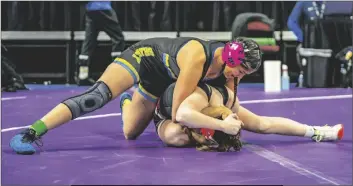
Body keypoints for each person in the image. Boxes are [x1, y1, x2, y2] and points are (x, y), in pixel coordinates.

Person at [10, 37, 262, 155]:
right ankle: (32, 132)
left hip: (162, 80)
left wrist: (217, 127)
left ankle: (128, 103)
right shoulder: (198, 58)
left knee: (130, 133)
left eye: (246, 73)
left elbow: (230, 108)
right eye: (241, 70)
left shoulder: (230, 73)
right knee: (96, 97)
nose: (241, 76)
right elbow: (178, 113)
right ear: (231, 59)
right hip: (143, 58)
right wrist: (213, 128)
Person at [150, 82, 343, 150]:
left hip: (214, 111)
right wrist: (223, 127)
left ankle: (316, 131)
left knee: (261, 124)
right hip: (167, 113)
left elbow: (263, 124)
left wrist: (224, 127)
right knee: (176, 135)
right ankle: (127, 103)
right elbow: (183, 115)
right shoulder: (202, 97)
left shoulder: (227, 100)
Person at [77, 1, 125, 85]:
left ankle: (83, 75)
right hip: (103, 7)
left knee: (89, 41)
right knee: (118, 39)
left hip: (90, 9)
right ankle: (116, 74)